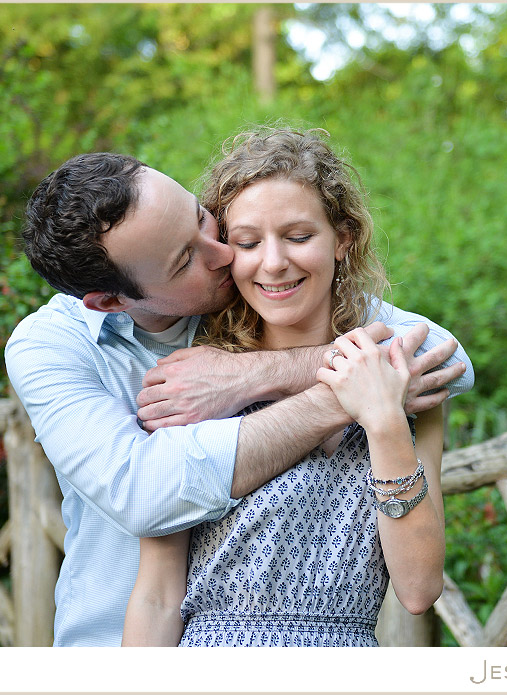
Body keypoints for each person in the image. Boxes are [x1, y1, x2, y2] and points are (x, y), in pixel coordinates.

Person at [5, 148, 473, 646]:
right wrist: (354, 393)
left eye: (204, 219)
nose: (225, 254)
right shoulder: (59, 350)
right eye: (188, 258)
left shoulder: (248, 330)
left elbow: (443, 357)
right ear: (113, 302)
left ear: (344, 239)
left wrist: (247, 375)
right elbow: (148, 498)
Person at [121, 126, 449, 647]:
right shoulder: (195, 388)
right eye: (248, 243)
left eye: (299, 237)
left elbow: (418, 588)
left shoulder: (403, 382)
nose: (273, 262)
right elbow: (158, 596)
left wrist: (384, 418)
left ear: (343, 238)